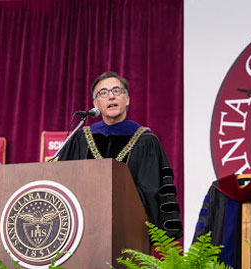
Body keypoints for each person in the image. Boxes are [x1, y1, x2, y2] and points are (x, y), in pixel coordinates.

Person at [58, 71, 182, 239]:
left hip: (129, 232)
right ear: (96, 103)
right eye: (104, 93)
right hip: (85, 233)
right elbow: (64, 185)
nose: (111, 97)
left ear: (127, 99)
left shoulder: (146, 140)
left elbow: (153, 191)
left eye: (117, 91)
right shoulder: (80, 138)